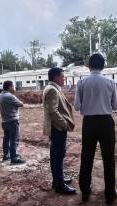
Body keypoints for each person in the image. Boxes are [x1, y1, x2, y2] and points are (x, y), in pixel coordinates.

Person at [74, 53, 117, 205]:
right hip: (106, 123)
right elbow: (114, 106)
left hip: (89, 123)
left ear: (89, 65)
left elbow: (77, 106)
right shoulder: (110, 82)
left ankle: (85, 192)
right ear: (103, 66)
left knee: (86, 157)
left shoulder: (81, 83)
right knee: (109, 159)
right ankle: (110, 194)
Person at [43, 67, 76, 195]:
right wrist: (63, 124)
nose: (64, 78)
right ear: (56, 77)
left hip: (54, 128)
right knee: (58, 156)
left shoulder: (52, 88)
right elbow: (53, 111)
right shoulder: (52, 89)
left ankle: (57, 180)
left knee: (55, 155)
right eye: (62, 76)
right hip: (57, 128)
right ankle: (60, 185)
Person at [0, 80, 26, 165]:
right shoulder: (10, 96)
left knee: (6, 139)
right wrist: (13, 94)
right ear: (9, 87)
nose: (14, 87)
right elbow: (21, 104)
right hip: (12, 120)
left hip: (4, 121)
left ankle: (6, 155)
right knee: (14, 139)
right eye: (13, 86)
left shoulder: (0, 95)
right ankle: (14, 157)